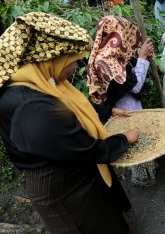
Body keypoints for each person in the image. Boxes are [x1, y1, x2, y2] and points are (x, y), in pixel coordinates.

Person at [0, 12, 138, 233]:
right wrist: (123, 140)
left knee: (105, 216)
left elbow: (72, 107)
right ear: (53, 58)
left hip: (74, 171)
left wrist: (108, 110)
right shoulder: (30, 107)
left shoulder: (39, 81)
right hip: (60, 187)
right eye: (72, 61)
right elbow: (83, 147)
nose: (76, 67)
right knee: (88, 226)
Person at [87, 15, 157, 186]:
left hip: (124, 106)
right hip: (124, 109)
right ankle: (142, 177)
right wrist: (141, 58)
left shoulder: (108, 55)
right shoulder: (106, 62)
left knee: (140, 139)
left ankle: (149, 170)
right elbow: (135, 86)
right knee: (136, 144)